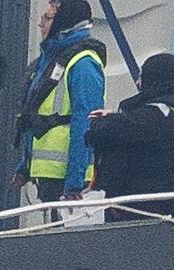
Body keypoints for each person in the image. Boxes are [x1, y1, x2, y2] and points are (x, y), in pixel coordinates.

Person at [86, 53, 174, 220]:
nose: (138, 83)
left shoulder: (157, 116)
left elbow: (105, 130)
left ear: (153, 78)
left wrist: (105, 119)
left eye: (142, 77)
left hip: (142, 208)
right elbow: (146, 126)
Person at [14, 0, 106, 208]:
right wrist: (25, 166)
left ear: (63, 22)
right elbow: (35, 118)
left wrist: (74, 183)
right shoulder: (50, 59)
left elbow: (86, 124)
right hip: (49, 177)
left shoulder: (83, 63)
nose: (41, 25)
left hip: (68, 181)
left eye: (46, 19)